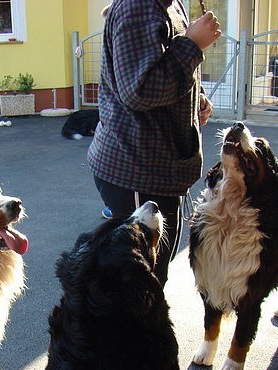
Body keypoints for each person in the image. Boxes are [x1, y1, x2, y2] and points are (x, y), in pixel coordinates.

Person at [87, 0, 221, 286]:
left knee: (153, 269)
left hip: (159, 168)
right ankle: (134, 331)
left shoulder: (170, 5)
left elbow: (164, 67)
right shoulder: (139, 6)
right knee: (143, 278)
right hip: (137, 169)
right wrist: (192, 45)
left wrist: (197, 99)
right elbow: (139, 90)